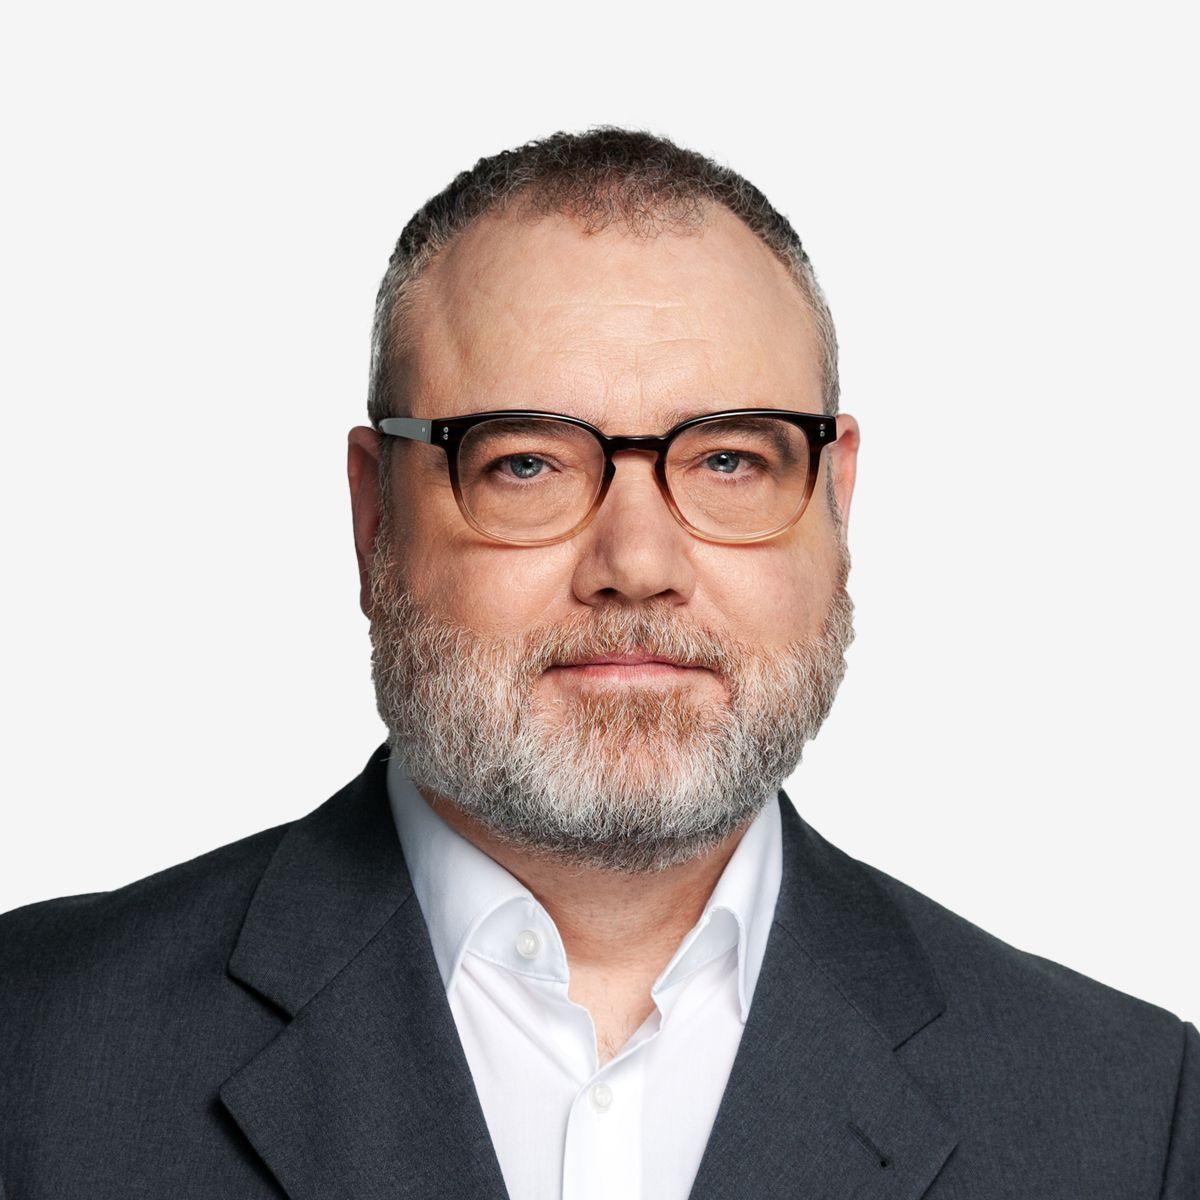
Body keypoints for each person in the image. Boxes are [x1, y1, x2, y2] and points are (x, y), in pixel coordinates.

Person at [0, 127, 1194, 1199]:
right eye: (525, 463)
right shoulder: (32, 1055)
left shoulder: (1134, 1120)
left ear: (837, 501)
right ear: (374, 517)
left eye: (729, 461)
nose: (638, 562)